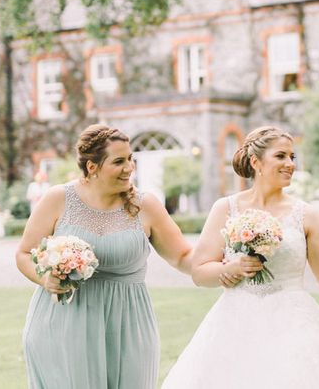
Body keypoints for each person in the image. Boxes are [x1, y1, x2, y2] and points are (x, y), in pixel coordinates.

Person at [162, 125, 319, 389]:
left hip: (293, 324)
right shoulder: (225, 208)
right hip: (235, 326)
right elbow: (200, 273)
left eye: (292, 157)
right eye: (281, 156)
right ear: (256, 162)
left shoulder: (307, 215)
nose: (290, 164)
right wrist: (233, 268)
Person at [16, 124, 194, 389]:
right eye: (119, 161)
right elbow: (23, 253)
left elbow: (183, 256)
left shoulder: (146, 206)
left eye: (131, 159)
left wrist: (222, 265)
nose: (130, 167)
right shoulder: (58, 199)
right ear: (92, 167)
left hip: (128, 325)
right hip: (64, 322)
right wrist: (46, 279)